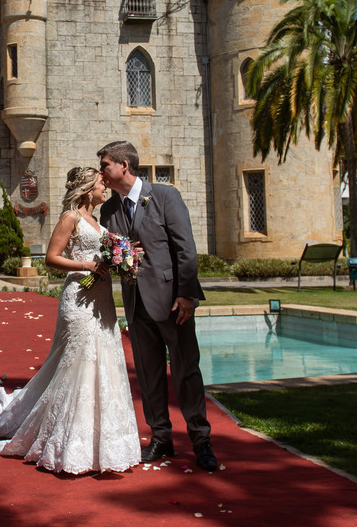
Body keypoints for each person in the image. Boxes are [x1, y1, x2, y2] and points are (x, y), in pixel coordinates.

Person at [0, 166, 141, 475]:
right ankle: (65, 440)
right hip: (79, 299)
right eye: (102, 184)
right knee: (78, 363)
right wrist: (88, 264)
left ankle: (101, 440)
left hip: (101, 300)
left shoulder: (97, 223)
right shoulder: (70, 218)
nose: (106, 188)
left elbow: (106, 256)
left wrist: (125, 257)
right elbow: (51, 257)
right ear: (88, 190)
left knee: (103, 362)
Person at [97, 140, 219, 472]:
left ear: (124, 165)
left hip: (171, 303)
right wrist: (116, 259)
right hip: (136, 306)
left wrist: (186, 295)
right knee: (149, 376)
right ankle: (161, 438)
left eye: (105, 165)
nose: (101, 172)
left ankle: (201, 440)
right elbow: (113, 254)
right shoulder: (108, 211)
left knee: (186, 372)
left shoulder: (165, 196)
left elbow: (186, 250)